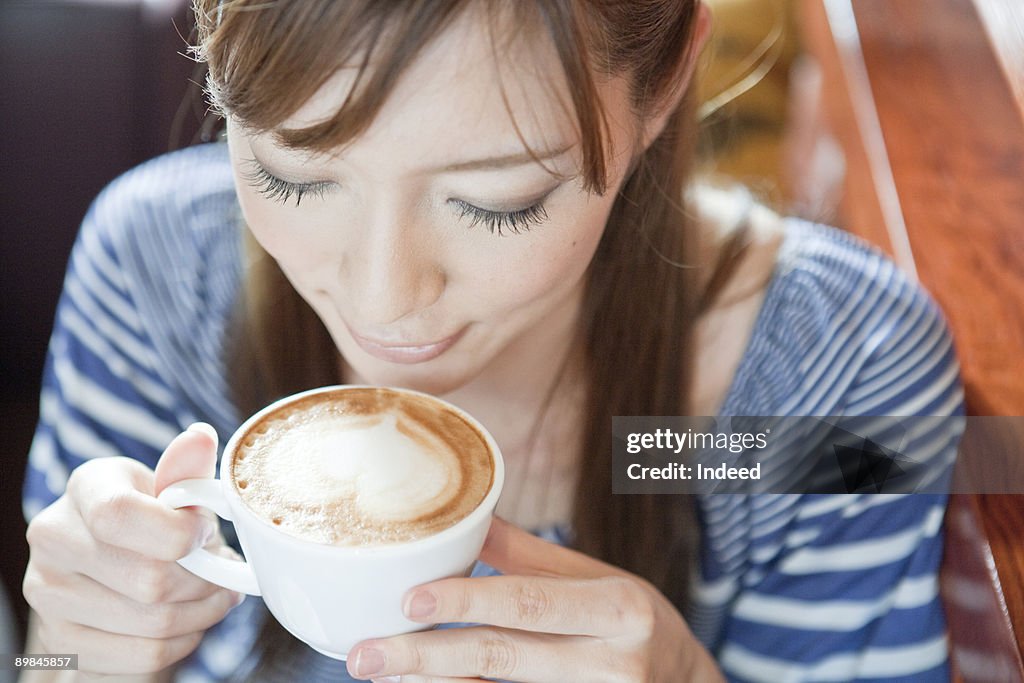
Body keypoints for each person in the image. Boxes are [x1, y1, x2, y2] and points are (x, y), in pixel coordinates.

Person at [20, 0, 964, 681]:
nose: (382, 302)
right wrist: (73, 653)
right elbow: (43, 661)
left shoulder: (832, 388)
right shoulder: (154, 275)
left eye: (495, 202)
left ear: (665, 86)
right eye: (293, 175)